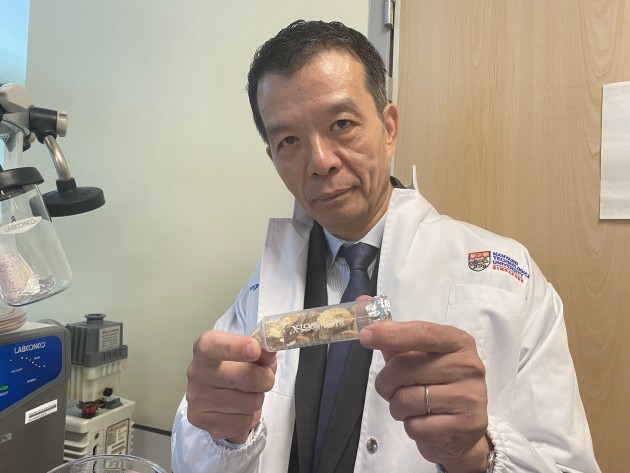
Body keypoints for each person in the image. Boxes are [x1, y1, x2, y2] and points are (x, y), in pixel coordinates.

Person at [171, 20, 601, 473]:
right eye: (289, 140)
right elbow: (194, 459)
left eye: (341, 124)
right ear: (273, 157)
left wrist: (476, 455)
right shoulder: (261, 291)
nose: (319, 162)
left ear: (389, 128)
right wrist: (218, 432)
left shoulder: (509, 279)